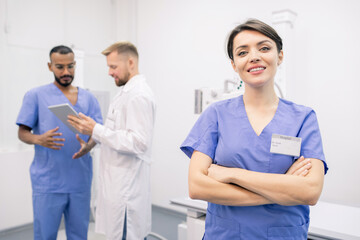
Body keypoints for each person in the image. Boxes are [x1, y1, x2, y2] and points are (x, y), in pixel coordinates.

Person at [180, 19, 328, 239]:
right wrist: (283, 190)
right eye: (242, 52)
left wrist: (231, 174)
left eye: (265, 48)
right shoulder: (216, 115)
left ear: (280, 56)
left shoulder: (304, 118)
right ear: (234, 65)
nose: (254, 57)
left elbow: (310, 191)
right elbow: (197, 186)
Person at [68, 41, 156, 240]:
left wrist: (95, 129)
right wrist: (92, 140)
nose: (109, 72)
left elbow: (138, 142)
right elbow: (115, 133)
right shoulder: (125, 94)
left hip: (127, 193)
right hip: (118, 188)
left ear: (131, 63)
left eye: (113, 66)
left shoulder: (138, 96)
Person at [16, 45, 103, 239]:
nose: (66, 72)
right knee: (45, 236)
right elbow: (22, 132)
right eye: (60, 67)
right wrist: (39, 138)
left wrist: (89, 145)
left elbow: (98, 133)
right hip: (48, 183)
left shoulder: (89, 99)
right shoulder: (36, 95)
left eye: (70, 66)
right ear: (50, 66)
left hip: (80, 180)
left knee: (79, 235)